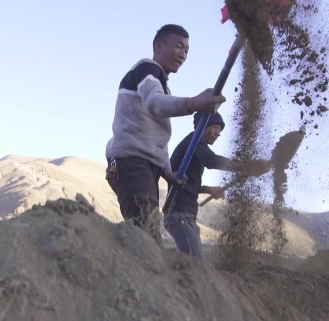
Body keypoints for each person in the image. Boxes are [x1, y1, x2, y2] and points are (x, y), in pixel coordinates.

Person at [105, 24, 226, 244]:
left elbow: (156, 137)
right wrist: (194, 103)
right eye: (179, 46)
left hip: (145, 167)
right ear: (158, 46)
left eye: (187, 50)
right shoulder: (147, 69)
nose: (183, 54)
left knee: (147, 237)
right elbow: (154, 104)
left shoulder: (162, 85)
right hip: (131, 163)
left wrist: (167, 171)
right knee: (146, 239)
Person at [162, 111, 271, 259]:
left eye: (220, 129)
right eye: (214, 126)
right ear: (202, 125)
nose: (217, 133)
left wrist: (208, 189)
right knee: (196, 266)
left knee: (196, 266)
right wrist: (245, 166)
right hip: (179, 215)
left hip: (188, 217)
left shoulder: (195, 150)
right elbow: (211, 161)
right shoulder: (193, 141)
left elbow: (185, 183)